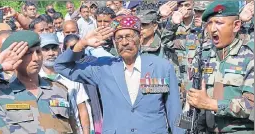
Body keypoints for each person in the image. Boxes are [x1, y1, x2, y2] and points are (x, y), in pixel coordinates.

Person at [55, 15, 184, 134]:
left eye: (129, 36)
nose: (124, 42)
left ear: (140, 38)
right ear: (114, 43)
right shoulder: (104, 68)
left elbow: (175, 112)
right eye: (119, 38)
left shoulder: (162, 67)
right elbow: (61, 66)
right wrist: (82, 43)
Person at [0, 30, 78, 133]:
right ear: (14, 57)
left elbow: (74, 127)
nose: (36, 58)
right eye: (28, 53)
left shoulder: (59, 89)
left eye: (38, 51)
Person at [186, 1, 254, 133]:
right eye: (209, 23)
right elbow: (193, 97)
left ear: (236, 25)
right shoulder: (202, 57)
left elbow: (251, 105)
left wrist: (212, 104)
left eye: (219, 23)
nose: (212, 29)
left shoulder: (249, 57)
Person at [39, 33, 91, 134]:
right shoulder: (35, 78)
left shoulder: (71, 76)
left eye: (54, 48)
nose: (51, 53)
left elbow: (82, 110)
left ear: (59, 50)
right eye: (46, 49)